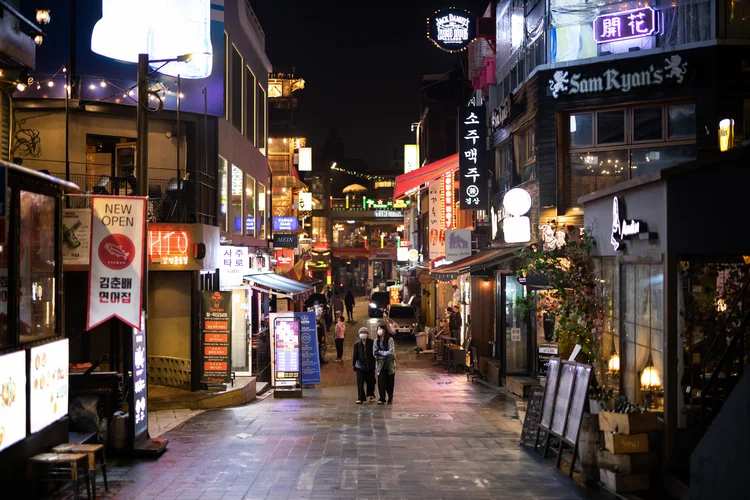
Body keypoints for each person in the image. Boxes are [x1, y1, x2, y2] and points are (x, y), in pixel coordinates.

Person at [352, 327, 376, 403]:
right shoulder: (357, 344)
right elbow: (355, 356)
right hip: (359, 366)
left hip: (370, 366)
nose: (363, 334)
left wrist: (374, 365)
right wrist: (354, 366)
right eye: (361, 333)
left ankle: (371, 395)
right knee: (360, 382)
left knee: (371, 381)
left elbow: (374, 354)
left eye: (364, 333)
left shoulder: (372, 342)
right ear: (359, 334)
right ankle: (360, 397)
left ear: (367, 334)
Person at [374, 324, 395, 404]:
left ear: (384, 330)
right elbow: (374, 352)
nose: (379, 331)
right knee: (381, 383)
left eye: (380, 329)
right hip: (380, 365)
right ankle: (382, 398)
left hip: (389, 365)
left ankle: (390, 397)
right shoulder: (376, 341)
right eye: (378, 329)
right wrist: (379, 354)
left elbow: (390, 352)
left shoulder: (390, 340)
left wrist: (379, 353)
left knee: (390, 383)